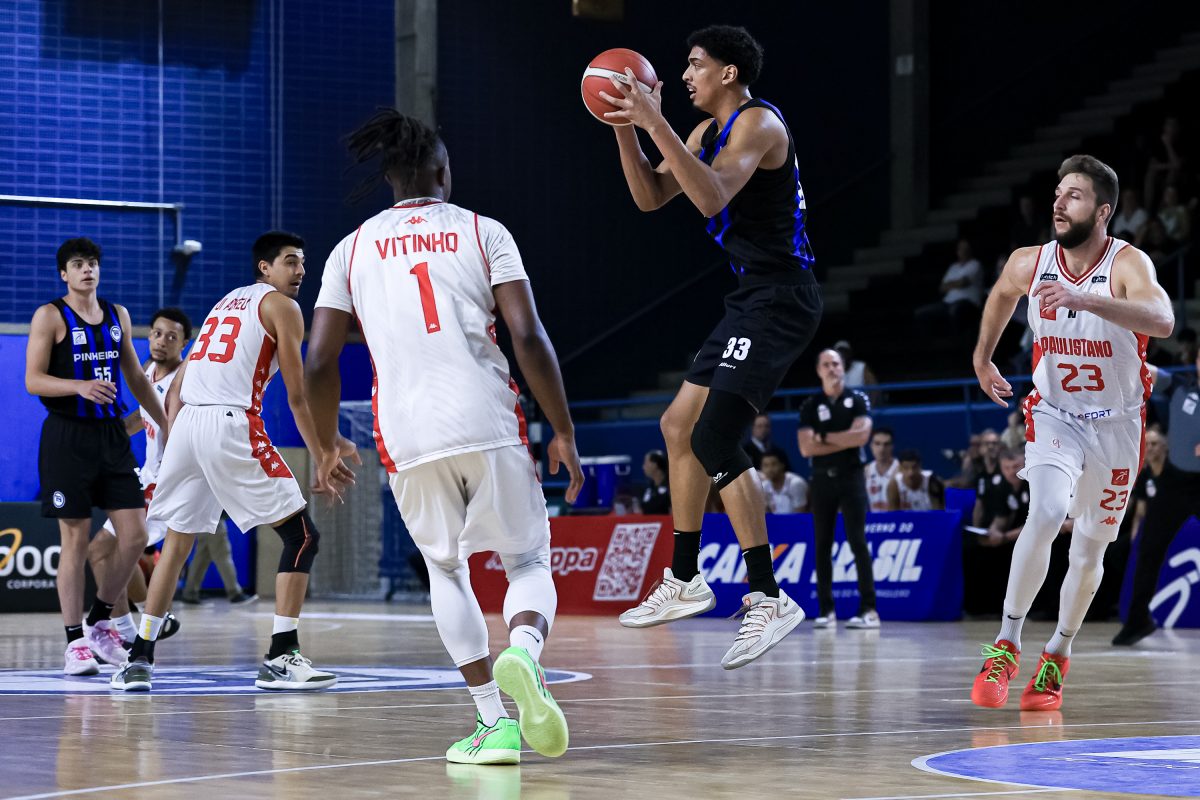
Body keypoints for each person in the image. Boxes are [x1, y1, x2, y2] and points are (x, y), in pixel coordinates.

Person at [304, 109, 584, 765]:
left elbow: (317, 361)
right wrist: (563, 429)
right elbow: (528, 337)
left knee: (445, 569)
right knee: (526, 562)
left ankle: (493, 723)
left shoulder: (350, 249)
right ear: (442, 172)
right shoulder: (485, 232)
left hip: (407, 432)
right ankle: (524, 652)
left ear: (390, 179)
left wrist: (325, 444)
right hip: (487, 417)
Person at [604, 25, 820, 668]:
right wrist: (625, 126)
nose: (685, 75)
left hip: (783, 296)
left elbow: (710, 195)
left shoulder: (759, 124)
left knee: (714, 438)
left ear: (728, 73)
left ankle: (768, 597)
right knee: (676, 426)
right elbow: (650, 196)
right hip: (751, 296)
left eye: (696, 64)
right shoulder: (703, 133)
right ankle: (685, 578)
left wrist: (655, 121)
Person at [971, 154, 1174, 711]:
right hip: (1055, 413)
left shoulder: (1127, 263)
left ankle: (1056, 655)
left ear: (1103, 212)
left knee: (1088, 553)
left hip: (1118, 425)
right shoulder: (1030, 261)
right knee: (1044, 511)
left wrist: (1084, 298)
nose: (1059, 203)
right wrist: (983, 357)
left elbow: (1163, 321)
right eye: (1058, 193)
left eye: (1075, 196)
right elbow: (1001, 294)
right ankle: (1006, 644)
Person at [111, 232, 353, 693]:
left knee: (177, 544)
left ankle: (138, 659)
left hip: (187, 425)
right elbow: (297, 393)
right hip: (229, 421)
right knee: (302, 536)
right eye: (290, 261)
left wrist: (177, 443)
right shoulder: (283, 307)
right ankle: (281, 656)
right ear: (265, 267)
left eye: (303, 262)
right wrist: (322, 452)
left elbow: (178, 385)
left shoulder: (224, 304)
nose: (300, 270)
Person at [25, 238, 168, 676]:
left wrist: (168, 424)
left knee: (135, 534)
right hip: (67, 436)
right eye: (78, 264)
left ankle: (100, 620)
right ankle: (75, 643)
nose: (87, 270)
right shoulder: (50, 315)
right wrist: (79, 386)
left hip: (111, 436)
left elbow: (137, 378)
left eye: (92, 263)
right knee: (75, 539)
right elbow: (33, 380)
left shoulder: (117, 314)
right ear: (64, 274)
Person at [88, 308, 192, 644]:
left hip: (167, 485)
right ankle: (144, 623)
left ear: (184, 344)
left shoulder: (185, 382)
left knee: (104, 550)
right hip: (146, 478)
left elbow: (181, 432)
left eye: (172, 337)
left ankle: (128, 631)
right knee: (105, 553)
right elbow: (141, 416)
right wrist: (110, 437)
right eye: (157, 334)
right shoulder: (147, 371)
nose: (162, 341)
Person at [1113, 352, 1200, 646]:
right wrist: (1115, 345)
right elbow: (1142, 368)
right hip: (1174, 484)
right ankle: (1138, 621)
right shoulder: (1180, 386)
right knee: (1149, 548)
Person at [798, 349, 877, 629]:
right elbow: (805, 447)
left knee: (857, 541)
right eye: (826, 364)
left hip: (851, 476)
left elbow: (861, 437)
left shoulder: (858, 399)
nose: (832, 368)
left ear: (843, 368)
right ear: (819, 370)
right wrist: (842, 438)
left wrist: (822, 437)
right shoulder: (810, 404)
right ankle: (826, 610)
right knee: (822, 544)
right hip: (821, 479)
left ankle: (869, 610)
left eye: (836, 364)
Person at [179, 517, 257, 605]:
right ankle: (234, 593)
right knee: (223, 555)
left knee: (201, 557)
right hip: (214, 520)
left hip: (202, 521)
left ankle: (190, 593)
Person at [915, 239, 984, 336]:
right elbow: (942, 288)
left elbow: (963, 283)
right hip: (947, 302)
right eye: (961, 248)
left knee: (954, 311)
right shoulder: (953, 267)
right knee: (921, 313)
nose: (963, 251)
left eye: (966, 248)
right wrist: (956, 283)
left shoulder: (975, 264)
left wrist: (950, 284)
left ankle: (958, 340)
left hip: (968, 303)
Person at [864, 427, 898, 512]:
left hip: (897, 518)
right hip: (873, 519)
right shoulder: (865, 471)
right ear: (871, 446)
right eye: (877, 444)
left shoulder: (900, 470)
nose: (882, 449)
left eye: (886, 444)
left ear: (892, 447)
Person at [640, 450, 671, 514]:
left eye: (646, 463)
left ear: (654, 465)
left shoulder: (671, 488)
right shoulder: (648, 489)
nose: (643, 467)